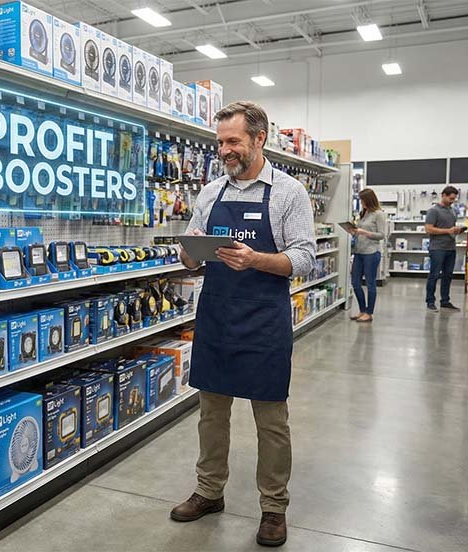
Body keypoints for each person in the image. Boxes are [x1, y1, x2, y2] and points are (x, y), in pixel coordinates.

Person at [172, 101, 316, 548]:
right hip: (216, 317)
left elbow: (306, 259)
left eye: (233, 141)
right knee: (211, 414)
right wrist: (191, 255)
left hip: (263, 320)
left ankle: (273, 507)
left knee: (271, 419)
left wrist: (256, 259)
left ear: (259, 138)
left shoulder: (289, 192)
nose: (225, 150)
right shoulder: (211, 193)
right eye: (220, 142)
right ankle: (209, 491)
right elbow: (191, 257)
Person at [347, 189, 386, 322]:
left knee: (370, 284)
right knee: (355, 282)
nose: (361, 202)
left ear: (369, 200)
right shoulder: (364, 213)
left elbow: (381, 235)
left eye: (362, 200)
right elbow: (360, 231)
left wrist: (364, 232)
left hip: (371, 252)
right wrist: (354, 231)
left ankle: (369, 313)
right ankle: (362, 310)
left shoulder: (378, 214)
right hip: (359, 251)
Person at [424, 186, 465, 311]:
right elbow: (428, 229)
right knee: (434, 275)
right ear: (443, 195)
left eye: (454, 199)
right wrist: (448, 231)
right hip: (437, 248)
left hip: (450, 247)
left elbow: (450, 228)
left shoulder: (453, 211)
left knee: (448, 275)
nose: (452, 201)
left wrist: (457, 231)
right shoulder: (433, 211)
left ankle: (445, 300)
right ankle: (430, 301)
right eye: (450, 198)